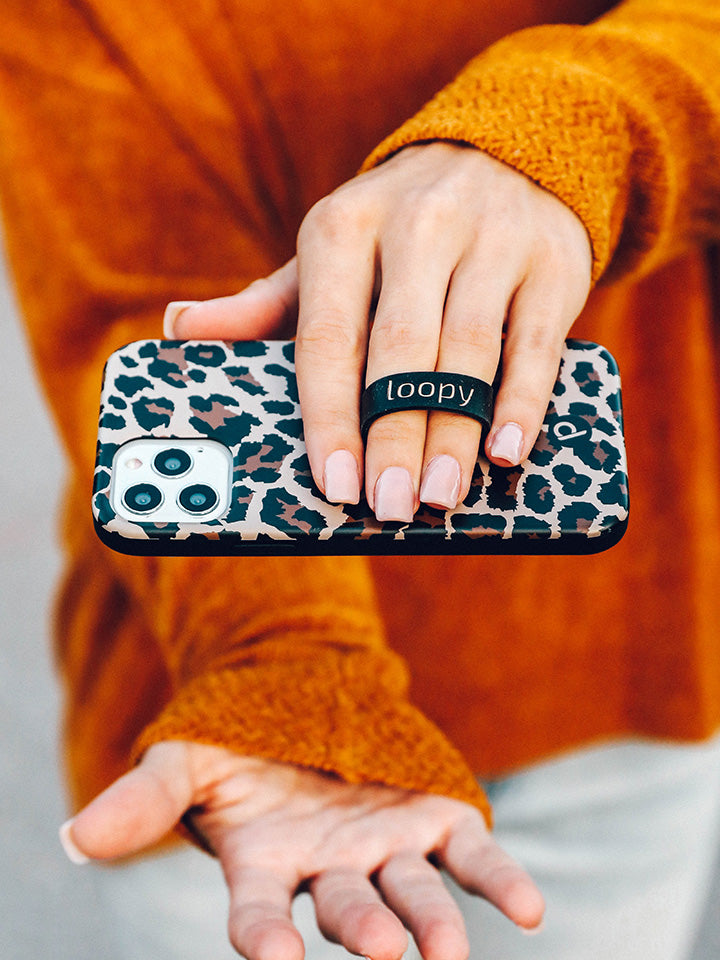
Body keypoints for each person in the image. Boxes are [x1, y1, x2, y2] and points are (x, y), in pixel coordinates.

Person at [1, 1, 720, 958]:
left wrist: (571, 119)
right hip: (241, 725)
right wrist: (290, 655)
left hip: (623, 681)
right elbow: (149, 313)